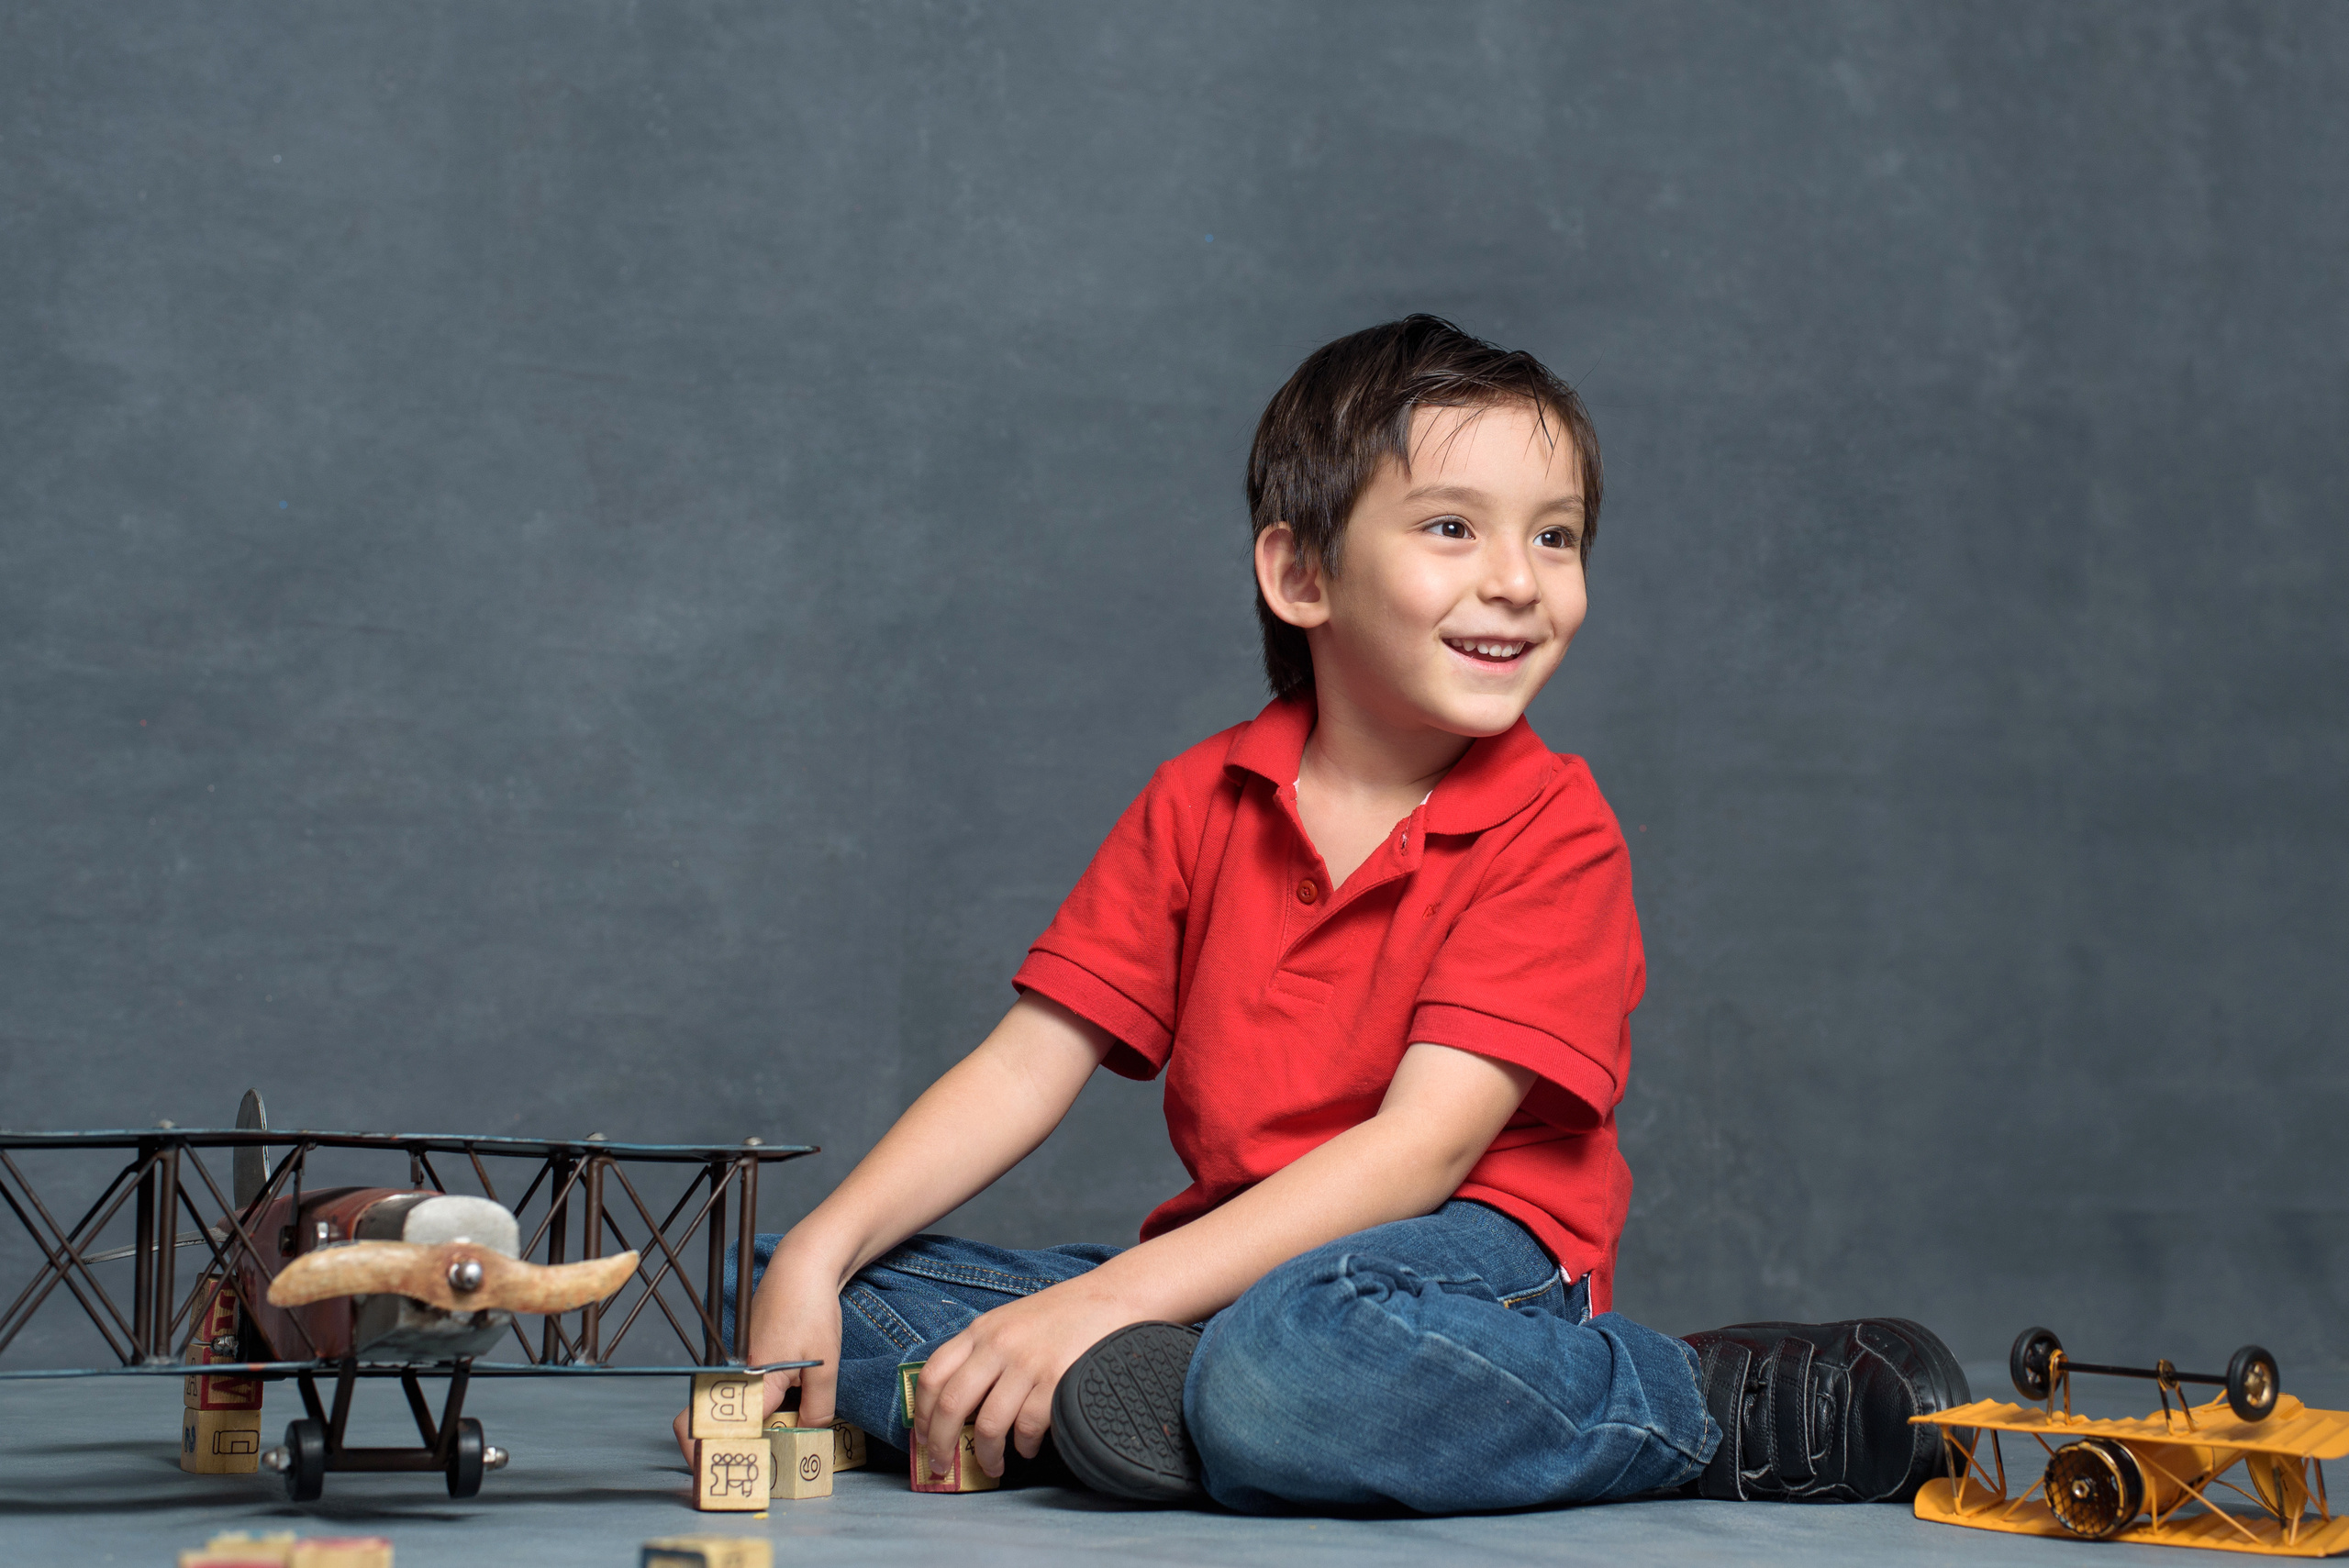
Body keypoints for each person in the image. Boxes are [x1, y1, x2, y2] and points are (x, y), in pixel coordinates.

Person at [676, 315, 1968, 1512]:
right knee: (795, 1270)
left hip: (1459, 1259)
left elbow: (1417, 1157)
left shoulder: (1553, 829)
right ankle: (1166, 1406)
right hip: (1233, 1264)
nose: (1520, 579)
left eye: (1556, 534)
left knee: (1291, 1355)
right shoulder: (1201, 798)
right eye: (1454, 529)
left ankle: (1690, 1406)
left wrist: (1111, 1301)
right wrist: (826, 1252)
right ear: (1302, 574)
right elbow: (1027, 1062)